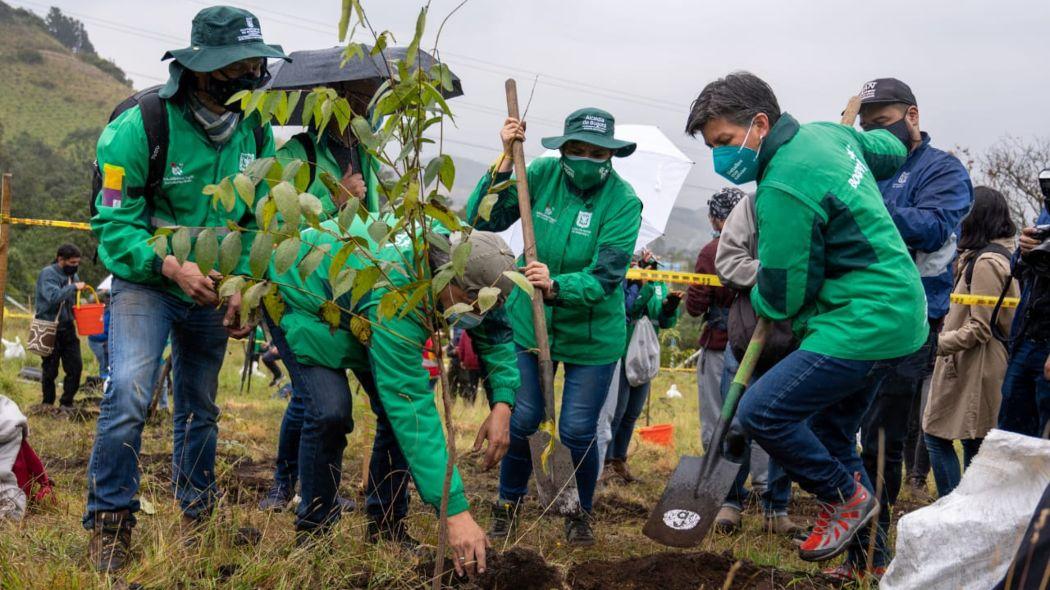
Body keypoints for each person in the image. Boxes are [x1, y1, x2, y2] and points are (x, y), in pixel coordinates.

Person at [685, 71, 927, 563]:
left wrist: (771, 300)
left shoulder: (783, 188)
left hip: (862, 319)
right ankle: (870, 560)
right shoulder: (829, 134)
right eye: (714, 147)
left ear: (759, 123)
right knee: (830, 435)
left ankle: (843, 499)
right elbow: (891, 149)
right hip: (901, 310)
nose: (722, 157)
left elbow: (782, 295)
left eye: (726, 142)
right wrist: (906, 131)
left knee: (762, 412)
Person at [84, 6, 288, 573]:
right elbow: (113, 228)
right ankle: (109, 520)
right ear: (203, 69)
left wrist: (241, 288)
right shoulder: (139, 127)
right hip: (148, 284)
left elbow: (254, 222)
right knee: (127, 391)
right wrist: (171, 266)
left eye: (257, 63)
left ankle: (197, 511)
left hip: (212, 293)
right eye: (240, 65)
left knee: (199, 405)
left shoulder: (254, 130)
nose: (253, 75)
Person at [267, 220, 519, 578]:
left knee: (388, 414)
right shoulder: (400, 294)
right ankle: (315, 533)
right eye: (469, 302)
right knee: (330, 412)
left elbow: (495, 331)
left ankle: (385, 526)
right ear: (447, 274)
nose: (476, 313)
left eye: (485, 304)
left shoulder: (477, 261)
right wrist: (455, 512)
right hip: (300, 290)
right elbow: (411, 407)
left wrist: (502, 403)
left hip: (360, 310)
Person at [467, 108, 642, 545]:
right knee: (523, 417)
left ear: (611, 155)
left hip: (592, 335)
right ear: (562, 149)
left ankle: (578, 511)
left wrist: (557, 284)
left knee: (578, 429)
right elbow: (482, 218)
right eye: (577, 149)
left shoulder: (623, 203)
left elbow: (606, 276)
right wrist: (506, 159)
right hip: (531, 324)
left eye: (596, 152)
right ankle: (507, 504)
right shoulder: (538, 174)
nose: (585, 159)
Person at [842, 77, 975, 578]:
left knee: (880, 438)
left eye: (883, 124)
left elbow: (932, 228)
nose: (877, 135)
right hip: (852, 314)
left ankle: (870, 555)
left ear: (912, 117)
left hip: (908, 322)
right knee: (839, 427)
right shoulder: (863, 170)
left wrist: (860, 206)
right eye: (867, 127)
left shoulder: (943, 171)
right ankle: (849, 529)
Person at [258, 81, 379, 512]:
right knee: (318, 402)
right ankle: (289, 487)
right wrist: (335, 202)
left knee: (348, 401)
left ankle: (367, 506)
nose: (362, 111)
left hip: (350, 300)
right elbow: (277, 238)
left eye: (369, 103)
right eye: (355, 103)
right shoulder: (294, 158)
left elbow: (374, 229)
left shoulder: (367, 158)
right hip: (299, 299)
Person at [712, 191, 802, 538]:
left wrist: (798, 278)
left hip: (797, 341)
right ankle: (731, 501)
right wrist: (770, 274)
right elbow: (728, 263)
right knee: (734, 425)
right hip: (748, 337)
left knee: (786, 426)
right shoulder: (752, 205)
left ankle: (776, 507)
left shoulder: (814, 208)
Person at [686, 187, 774, 532]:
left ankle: (722, 490)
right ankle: (765, 489)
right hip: (765, 344)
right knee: (760, 419)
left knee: (719, 421)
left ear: (715, 218)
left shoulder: (713, 250)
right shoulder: (766, 246)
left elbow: (695, 306)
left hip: (722, 344)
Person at [924, 187, 1017, 497]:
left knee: (940, 436)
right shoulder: (982, 256)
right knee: (971, 441)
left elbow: (981, 326)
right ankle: (965, 509)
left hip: (977, 365)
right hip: (969, 364)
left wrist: (939, 345)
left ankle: (952, 507)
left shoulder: (987, 262)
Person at [598, 252, 681, 484]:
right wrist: (641, 286)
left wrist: (669, 307)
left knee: (633, 411)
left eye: (652, 263)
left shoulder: (659, 283)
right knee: (618, 410)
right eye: (645, 261)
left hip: (646, 355)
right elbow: (630, 309)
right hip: (624, 351)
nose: (648, 263)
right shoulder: (625, 277)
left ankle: (619, 460)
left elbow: (665, 322)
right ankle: (604, 463)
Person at [999, 171, 1050, 438]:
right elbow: (1021, 269)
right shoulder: (1046, 210)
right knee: (1011, 436)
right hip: (1027, 337)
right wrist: (1025, 250)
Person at [34, 244, 86, 409]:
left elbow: (72, 301)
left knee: (75, 367)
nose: (75, 266)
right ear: (60, 259)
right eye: (71, 263)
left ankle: (66, 402)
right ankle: (47, 403)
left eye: (77, 263)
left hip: (68, 327)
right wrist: (72, 288)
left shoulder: (74, 276)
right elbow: (53, 297)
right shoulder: (48, 274)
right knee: (50, 369)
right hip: (49, 326)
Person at [86, 291, 111, 382]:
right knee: (103, 361)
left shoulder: (112, 310)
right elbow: (91, 298)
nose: (107, 300)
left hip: (107, 339)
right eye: (106, 298)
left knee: (108, 361)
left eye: (109, 298)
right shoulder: (94, 308)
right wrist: (102, 292)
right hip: (95, 340)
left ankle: (107, 380)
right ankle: (103, 380)